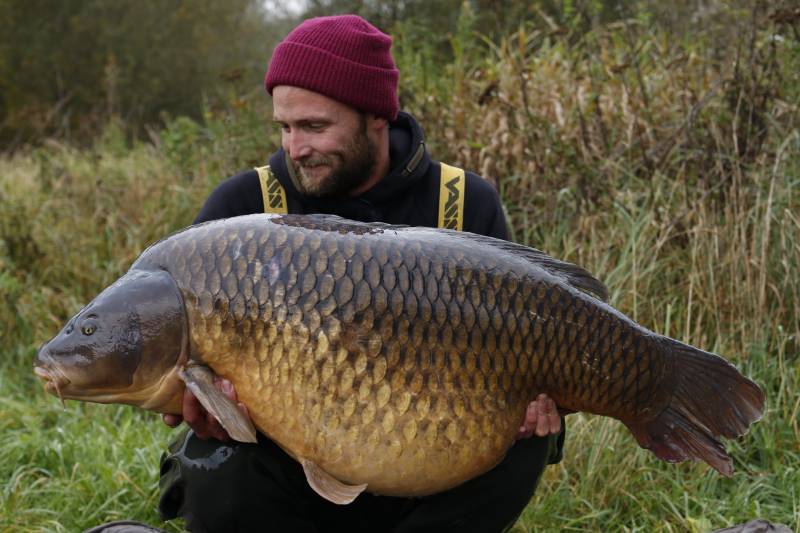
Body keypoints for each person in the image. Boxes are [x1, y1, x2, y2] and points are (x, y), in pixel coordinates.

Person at [104, 15, 566, 533]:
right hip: (282, 470)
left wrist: (539, 412)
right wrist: (204, 407)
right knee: (215, 454)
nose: (295, 147)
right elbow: (189, 364)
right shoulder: (243, 206)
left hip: (428, 463)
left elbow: (530, 335)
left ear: (375, 117)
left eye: (315, 127)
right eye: (285, 127)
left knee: (527, 439)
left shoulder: (461, 203)